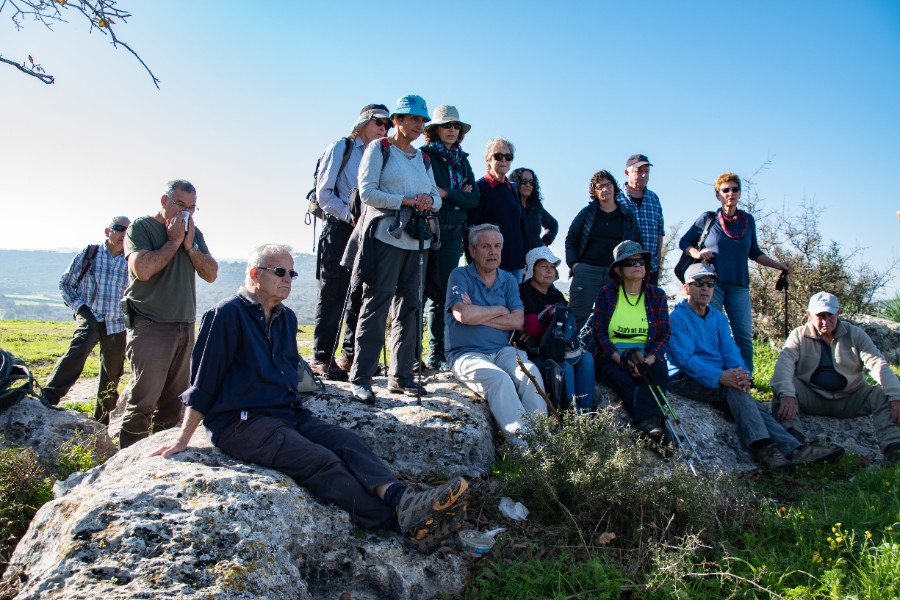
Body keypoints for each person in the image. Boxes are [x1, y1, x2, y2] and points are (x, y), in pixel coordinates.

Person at [149, 244, 469, 553]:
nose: (288, 278)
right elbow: (203, 382)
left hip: (287, 414)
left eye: (292, 273)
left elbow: (290, 373)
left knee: (347, 442)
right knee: (318, 460)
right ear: (254, 274)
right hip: (241, 422)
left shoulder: (285, 318)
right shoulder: (226, 314)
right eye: (280, 271)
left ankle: (403, 500)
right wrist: (183, 438)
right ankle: (397, 522)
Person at [668, 264, 844, 471]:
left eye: (710, 284)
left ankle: (795, 449)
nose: (705, 289)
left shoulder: (718, 317)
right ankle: (764, 448)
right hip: (684, 378)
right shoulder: (677, 319)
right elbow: (686, 359)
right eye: (698, 284)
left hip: (718, 376)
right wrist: (720, 377)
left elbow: (730, 351)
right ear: (687, 288)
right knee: (735, 391)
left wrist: (741, 374)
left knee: (748, 398)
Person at [348, 95, 441, 404]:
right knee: (376, 305)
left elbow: (436, 198)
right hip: (384, 238)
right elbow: (368, 193)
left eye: (422, 121)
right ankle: (361, 378)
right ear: (397, 121)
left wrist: (426, 201)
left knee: (410, 307)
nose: (419, 126)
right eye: (413, 119)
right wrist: (408, 200)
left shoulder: (422, 158)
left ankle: (400, 378)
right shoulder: (380, 149)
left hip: (416, 242)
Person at [118, 180, 218, 448]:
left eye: (192, 208)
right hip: (150, 325)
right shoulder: (141, 228)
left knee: (175, 405)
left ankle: (159, 457)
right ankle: (125, 464)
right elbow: (143, 270)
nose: (186, 214)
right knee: (142, 403)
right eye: (180, 205)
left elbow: (211, 274)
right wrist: (174, 242)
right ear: (164, 201)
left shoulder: (193, 233)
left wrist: (190, 247)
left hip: (184, 326)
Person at [309, 103, 392, 381]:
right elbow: (324, 193)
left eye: (387, 125)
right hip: (340, 228)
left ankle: (350, 356)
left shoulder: (379, 155)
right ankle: (322, 358)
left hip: (367, 231)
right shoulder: (341, 147)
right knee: (333, 291)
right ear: (364, 122)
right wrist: (349, 216)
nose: (384, 128)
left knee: (359, 293)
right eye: (379, 122)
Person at [771, 291, 900, 466]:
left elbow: (878, 364)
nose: (826, 321)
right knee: (783, 387)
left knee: (883, 392)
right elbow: (784, 365)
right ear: (809, 315)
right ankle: (795, 443)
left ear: (838, 312)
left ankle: (894, 449)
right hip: (812, 396)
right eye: (820, 315)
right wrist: (787, 394)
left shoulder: (855, 334)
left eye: (830, 315)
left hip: (850, 398)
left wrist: (895, 396)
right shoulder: (798, 335)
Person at [446, 224, 547, 445]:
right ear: (472, 251)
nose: (493, 252)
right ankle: (527, 451)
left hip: (502, 351)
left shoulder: (508, 279)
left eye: (497, 246)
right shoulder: (459, 275)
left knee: (530, 373)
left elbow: (518, 321)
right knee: (499, 379)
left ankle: (542, 441)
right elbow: (463, 316)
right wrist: (499, 310)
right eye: (486, 246)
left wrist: (478, 312)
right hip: (466, 354)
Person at [679, 172, 789, 373]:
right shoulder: (708, 219)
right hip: (711, 285)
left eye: (735, 189)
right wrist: (698, 253)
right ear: (717, 195)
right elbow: (684, 242)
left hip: (739, 286)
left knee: (743, 335)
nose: (730, 193)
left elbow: (754, 252)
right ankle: (714, 372)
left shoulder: (747, 221)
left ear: (740, 193)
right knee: (710, 330)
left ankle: (746, 377)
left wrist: (778, 265)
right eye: (725, 190)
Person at [42, 216, 131, 424]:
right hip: (90, 312)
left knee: (113, 370)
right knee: (78, 350)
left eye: (128, 230)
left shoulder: (131, 259)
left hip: (116, 321)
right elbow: (66, 284)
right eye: (119, 228)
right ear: (107, 231)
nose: (123, 234)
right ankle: (48, 398)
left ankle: (101, 421)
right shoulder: (90, 254)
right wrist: (79, 308)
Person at [420, 105, 480, 371]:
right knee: (417, 292)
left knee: (442, 295)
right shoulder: (424, 156)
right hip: (429, 229)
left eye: (456, 126)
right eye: (446, 126)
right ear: (434, 129)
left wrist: (450, 194)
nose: (452, 130)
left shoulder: (463, 160)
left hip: (454, 235)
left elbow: (474, 198)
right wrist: (456, 194)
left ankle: (437, 354)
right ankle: (411, 354)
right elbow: (431, 192)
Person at [593, 240, 670, 446]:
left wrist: (649, 359)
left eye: (641, 261)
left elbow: (663, 334)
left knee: (659, 373)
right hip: (613, 356)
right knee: (620, 378)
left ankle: (648, 425)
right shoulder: (606, 294)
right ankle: (651, 423)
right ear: (618, 269)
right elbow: (599, 333)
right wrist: (620, 360)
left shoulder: (657, 295)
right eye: (630, 262)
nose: (638, 265)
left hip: (647, 355)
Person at [518, 246, 595, 411]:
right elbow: (531, 328)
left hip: (559, 349)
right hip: (536, 353)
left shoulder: (556, 295)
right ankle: (570, 415)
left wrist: (548, 328)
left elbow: (570, 324)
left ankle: (587, 412)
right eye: (544, 266)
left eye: (552, 267)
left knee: (586, 358)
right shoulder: (524, 292)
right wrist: (554, 327)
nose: (549, 271)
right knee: (564, 367)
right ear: (532, 268)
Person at [565, 170, 643, 330]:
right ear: (594, 191)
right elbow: (571, 238)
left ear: (614, 187)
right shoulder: (587, 213)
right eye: (600, 186)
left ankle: (608, 354)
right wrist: (575, 265)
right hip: (587, 271)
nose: (605, 189)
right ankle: (571, 353)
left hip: (616, 273)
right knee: (577, 318)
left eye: (608, 185)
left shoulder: (627, 216)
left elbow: (637, 243)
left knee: (615, 318)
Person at [468, 138, 528, 282]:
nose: (504, 160)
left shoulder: (512, 188)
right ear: (488, 159)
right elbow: (470, 228)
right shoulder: (479, 188)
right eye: (498, 156)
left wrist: (524, 254)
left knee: (512, 304)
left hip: (515, 264)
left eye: (508, 157)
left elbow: (521, 226)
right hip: (487, 264)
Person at [616, 154, 665, 286]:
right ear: (627, 172)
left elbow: (660, 232)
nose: (643, 175)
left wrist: (658, 260)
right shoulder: (617, 198)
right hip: (623, 267)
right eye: (639, 171)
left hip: (650, 268)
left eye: (646, 171)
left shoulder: (654, 199)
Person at [509, 167, 558, 251]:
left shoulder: (536, 207)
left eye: (531, 182)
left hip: (535, 257)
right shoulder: (508, 205)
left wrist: (545, 242)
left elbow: (553, 224)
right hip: (513, 256)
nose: (528, 185)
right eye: (524, 181)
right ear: (516, 182)